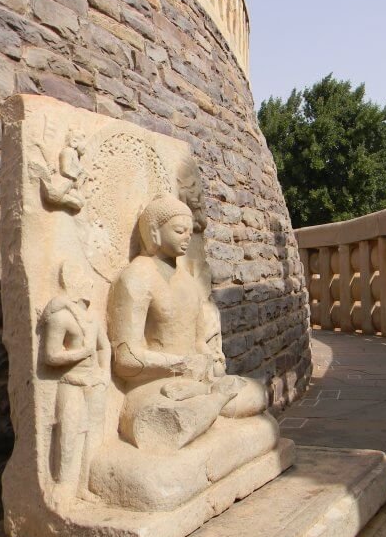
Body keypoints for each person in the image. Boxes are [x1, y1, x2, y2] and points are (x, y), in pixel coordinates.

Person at [107, 194, 267, 453]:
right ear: (155, 233)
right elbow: (125, 359)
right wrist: (178, 364)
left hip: (196, 383)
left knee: (256, 392)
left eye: (189, 231)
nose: (187, 237)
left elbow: (197, 342)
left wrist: (209, 358)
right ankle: (214, 405)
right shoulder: (136, 278)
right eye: (179, 230)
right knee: (170, 419)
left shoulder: (187, 281)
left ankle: (214, 403)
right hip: (155, 388)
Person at [41, 260, 109, 506]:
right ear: (76, 284)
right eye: (87, 282)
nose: (92, 285)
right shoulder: (60, 318)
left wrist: (104, 373)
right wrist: (81, 353)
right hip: (71, 382)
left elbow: (104, 346)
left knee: (91, 436)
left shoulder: (91, 319)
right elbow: (50, 356)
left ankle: (82, 486)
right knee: (69, 435)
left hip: (93, 382)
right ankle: (63, 488)